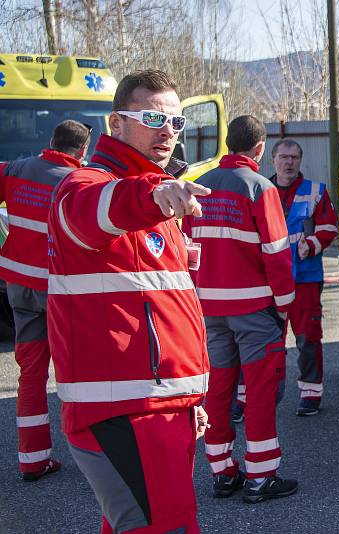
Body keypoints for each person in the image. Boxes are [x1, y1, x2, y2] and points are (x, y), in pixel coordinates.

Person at [48, 70, 211, 533]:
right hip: (126, 411)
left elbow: (161, 310)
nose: (167, 131)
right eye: (153, 117)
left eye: (176, 123)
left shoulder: (158, 196)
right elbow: (93, 212)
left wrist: (187, 397)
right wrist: (153, 192)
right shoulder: (87, 184)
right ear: (115, 124)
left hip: (159, 407)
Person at [182, 115, 298, 502]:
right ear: (260, 149)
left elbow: (187, 251)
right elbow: (277, 256)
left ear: (227, 143)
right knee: (260, 393)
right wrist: (284, 306)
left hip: (209, 310)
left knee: (218, 390)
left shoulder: (201, 186)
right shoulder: (260, 188)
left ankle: (222, 472)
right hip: (254, 310)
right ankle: (261, 476)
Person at [0, 120, 90, 481]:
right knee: (77, 375)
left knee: (31, 374)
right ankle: (92, 459)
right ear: (82, 151)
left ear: (51, 141)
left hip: (19, 287)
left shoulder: (18, 168)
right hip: (59, 292)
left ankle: (33, 459)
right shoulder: (77, 182)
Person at [268, 139, 337, 416]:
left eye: (294, 157)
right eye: (284, 157)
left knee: (308, 337)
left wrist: (311, 243)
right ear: (273, 159)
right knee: (268, 339)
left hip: (306, 277)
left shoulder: (315, 191)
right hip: (271, 279)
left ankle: (310, 393)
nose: (289, 163)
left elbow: (329, 227)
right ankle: (266, 392)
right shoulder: (262, 190)